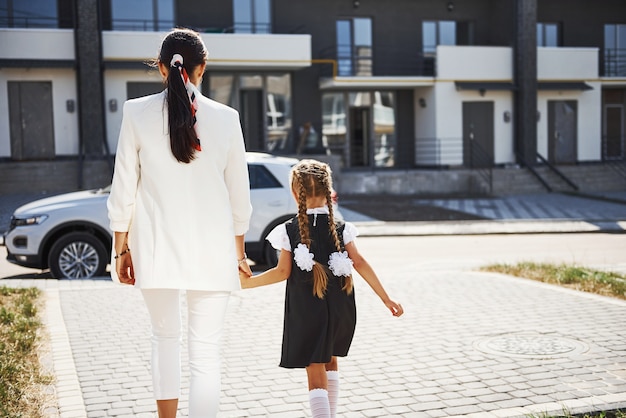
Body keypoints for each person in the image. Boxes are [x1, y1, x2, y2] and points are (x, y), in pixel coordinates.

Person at [107, 28, 252, 418]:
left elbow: (123, 189)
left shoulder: (135, 113)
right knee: (205, 353)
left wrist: (120, 249)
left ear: (160, 67)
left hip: (153, 249)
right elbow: (240, 198)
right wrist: (238, 253)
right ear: (202, 68)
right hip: (213, 251)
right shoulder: (227, 118)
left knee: (164, 340)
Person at [240, 159, 403, 418]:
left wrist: (247, 284)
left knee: (315, 373)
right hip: (341, 309)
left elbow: (282, 272)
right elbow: (359, 262)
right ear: (329, 192)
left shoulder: (287, 230)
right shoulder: (342, 228)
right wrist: (386, 298)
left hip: (307, 311)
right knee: (330, 362)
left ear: (295, 194)